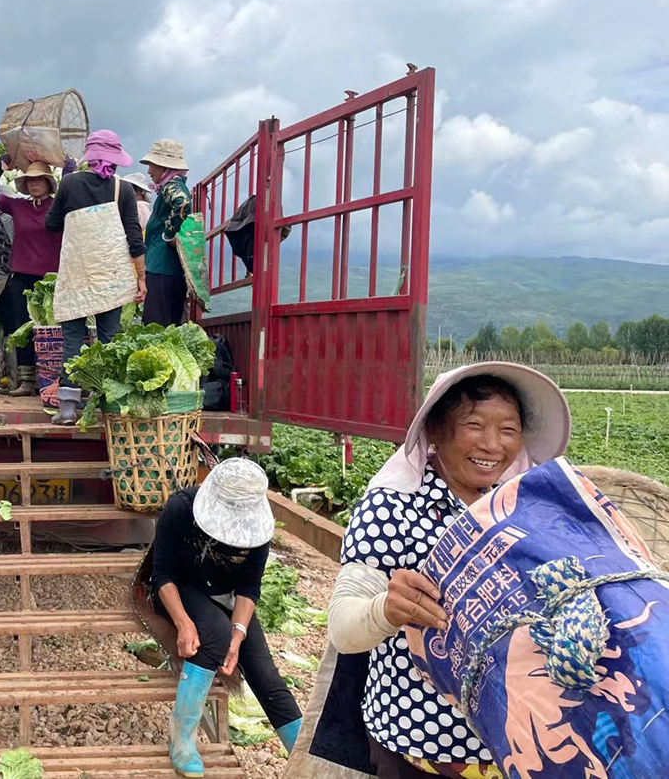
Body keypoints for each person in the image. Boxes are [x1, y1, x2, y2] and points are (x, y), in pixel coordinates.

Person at [316, 362, 571, 779]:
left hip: (513, 748)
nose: (493, 445)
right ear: (435, 429)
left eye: (508, 430)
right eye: (475, 425)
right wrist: (387, 609)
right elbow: (343, 627)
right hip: (422, 746)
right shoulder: (393, 507)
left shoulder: (521, 511)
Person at [149, 458, 303, 775]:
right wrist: (183, 623)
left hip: (227, 596)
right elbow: (161, 574)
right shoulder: (181, 508)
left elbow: (249, 588)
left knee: (266, 674)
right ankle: (182, 736)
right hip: (179, 589)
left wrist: (239, 635)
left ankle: (306, 760)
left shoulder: (260, 528)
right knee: (216, 632)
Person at [45, 130, 147, 424]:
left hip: (77, 272)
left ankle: (67, 408)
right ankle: (109, 404)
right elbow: (134, 238)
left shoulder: (69, 183)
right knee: (109, 339)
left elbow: (51, 224)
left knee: (72, 339)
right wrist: (141, 277)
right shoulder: (123, 189)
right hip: (111, 275)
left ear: (89, 156)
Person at [0, 157, 63, 397]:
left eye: (39, 179)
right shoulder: (18, 206)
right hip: (21, 277)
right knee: (22, 328)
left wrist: (69, 170)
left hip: (50, 280)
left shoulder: (58, 206)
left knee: (50, 329)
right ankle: (26, 381)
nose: (34, 184)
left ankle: (50, 379)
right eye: (30, 180)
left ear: (48, 183)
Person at [139, 140, 193, 327]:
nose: (149, 171)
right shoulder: (174, 185)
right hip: (168, 269)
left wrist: (168, 234)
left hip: (161, 269)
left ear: (164, 167)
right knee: (169, 326)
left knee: (156, 326)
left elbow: (182, 204)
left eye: (152, 165)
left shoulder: (172, 185)